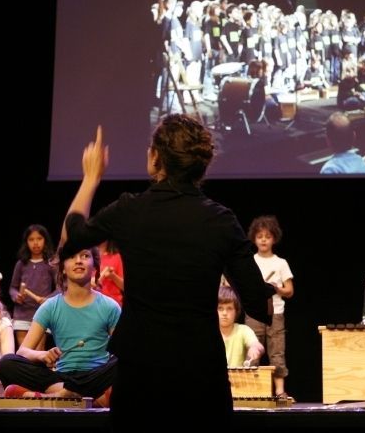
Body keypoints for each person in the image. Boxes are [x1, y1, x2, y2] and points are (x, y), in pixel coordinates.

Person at [62, 115, 273, 429]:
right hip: (201, 374)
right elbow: (259, 303)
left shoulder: (131, 210)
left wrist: (91, 177)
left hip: (141, 373)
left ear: (155, 158)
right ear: (200, 166)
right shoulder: (220, 220)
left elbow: (69, 240)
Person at [0, 245, 119, 406]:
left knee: (125, 360)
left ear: (95, 267)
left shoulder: (109, 306)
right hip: (62, 377)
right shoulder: (50, 306)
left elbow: (121, 351)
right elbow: (23, 352)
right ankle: (85, 398)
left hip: (96, 376)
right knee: (7, 364)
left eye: (85, 256)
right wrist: (42, 355)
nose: (78, 261)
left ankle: (56, 396)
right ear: (62, 269)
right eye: (71, 257)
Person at [244, 215, 294, 398]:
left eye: (267, 236)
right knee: (253, 350)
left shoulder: (280, 263)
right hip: (254, 313)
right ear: (254, 239)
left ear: (274, 238)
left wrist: (275, 289)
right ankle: (251, 391)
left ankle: (280, 391)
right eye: (259, 236)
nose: (263, 239)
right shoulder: (250, 261)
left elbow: (289, 290)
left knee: (277, 352)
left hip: (276, 314)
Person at [9, 224, 58, 346]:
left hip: (42, 313)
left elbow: (60, 288)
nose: (35, 243)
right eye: (31, 239)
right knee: (23, 353)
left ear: (45, 240)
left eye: (39, 239)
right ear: (26, 242)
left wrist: (48, 299)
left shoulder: (51, 264)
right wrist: (16, 296)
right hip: (22, 314)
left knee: (38, 352)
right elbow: (13, 288)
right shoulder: (21, 263)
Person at [218, 286, 264, 368]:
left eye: (229, 308)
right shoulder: (208, 331)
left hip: (237, 379)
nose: (224, 313)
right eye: (220, 308)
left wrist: (255, 348)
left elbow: (257, 345)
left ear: (236, 311)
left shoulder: (243, 330)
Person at [97, 239, 124, 306]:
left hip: (113, 304)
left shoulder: (117, 257)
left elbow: (123, 286)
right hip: (93, 303)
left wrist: (113, 276)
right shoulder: (87, 256)